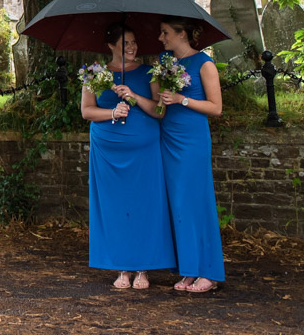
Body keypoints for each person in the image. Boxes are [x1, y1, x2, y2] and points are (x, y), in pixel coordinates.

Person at [81, 23, 176, 290]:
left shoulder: (149, 72)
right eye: (126, 43)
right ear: (111, 46)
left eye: (134, 42)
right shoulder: (95, 74)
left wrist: (134, 96)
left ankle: (143, 269)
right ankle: (122, 268)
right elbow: (87, 112)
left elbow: (159, 111)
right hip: (108, 152)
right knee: (114, 208)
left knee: (144, 206)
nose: (133, 47)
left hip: (143, 151)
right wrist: (112, 112)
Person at [157, 16, 225, 293]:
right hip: (168, 136)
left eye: (165, 33)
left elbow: (216, 107)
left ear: (182, 34)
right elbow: (161, 102)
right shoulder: (166, 62)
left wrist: (181, 99)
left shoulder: (204, 64)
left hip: (192, 139)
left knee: (197, 201)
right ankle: (188, 268)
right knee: (178, 204)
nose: (161, 39)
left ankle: (209, 271)